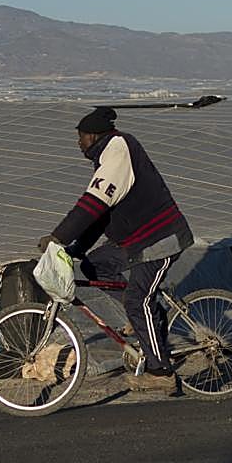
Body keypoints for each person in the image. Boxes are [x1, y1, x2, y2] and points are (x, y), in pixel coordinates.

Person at [39, 106, 193, 392]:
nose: (78, 142)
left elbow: (92, 205)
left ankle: (160, 373)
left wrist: (58, 237)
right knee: (93, 266)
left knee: (138, 300)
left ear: (94, 135)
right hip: (137, 240)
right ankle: (144, 317)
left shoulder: (118, 152)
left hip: (160, 238)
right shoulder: (107, 156)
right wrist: (77, 249)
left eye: (81, 137)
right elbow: (102, 215)